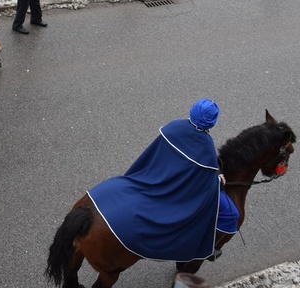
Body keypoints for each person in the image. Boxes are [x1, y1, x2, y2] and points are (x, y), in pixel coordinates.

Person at [87, 99, 228, 262]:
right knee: (226, 214)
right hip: (174, 188)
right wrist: (218, 181)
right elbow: (204, 184)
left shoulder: (174, 127)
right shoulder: (206, 147)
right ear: (212, 122)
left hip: (154, 174)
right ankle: (203, 249)